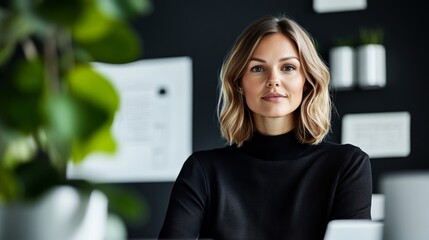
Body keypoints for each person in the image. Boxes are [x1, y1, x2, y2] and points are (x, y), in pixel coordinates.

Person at [158, 14, 372, 240]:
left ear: (307, 82)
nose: (273, 80)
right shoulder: (202, 170)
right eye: (258, 69)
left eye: (288, 67)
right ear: (239, 83)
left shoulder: (347, 165)